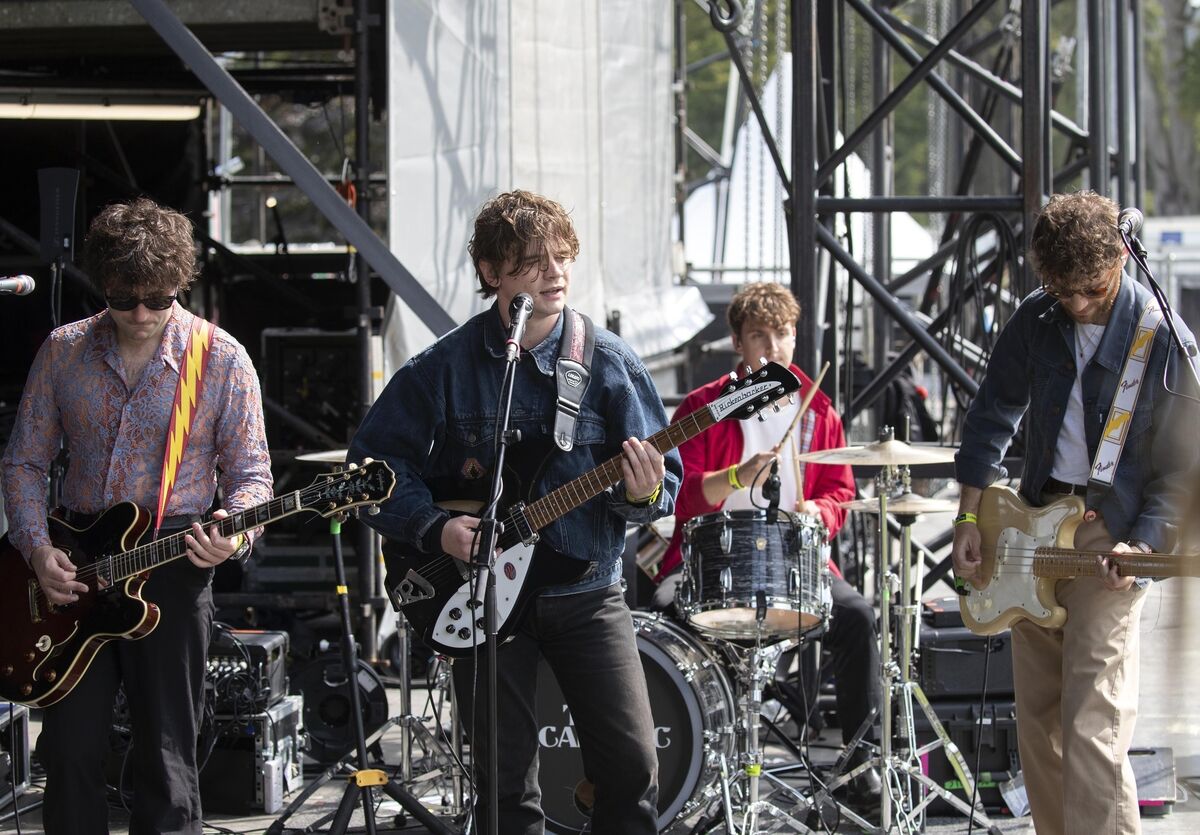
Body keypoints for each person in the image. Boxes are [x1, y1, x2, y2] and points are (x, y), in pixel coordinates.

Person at [349, 189, 682, 834]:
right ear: (492, 273)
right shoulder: (442, 369)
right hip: (482, 600)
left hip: (587, 592)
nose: (555, 271)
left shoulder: (608, 363)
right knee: (503, 787)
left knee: (632, 767)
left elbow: (664, 484)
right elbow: (371, 475)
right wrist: (436, 527)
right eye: (533, 260)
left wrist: (641, 492)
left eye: (562, 256)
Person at [1, 197, 273, 834]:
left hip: (175, 562)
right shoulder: (64, 351)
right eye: (126, 299)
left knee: (167, 755)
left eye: (160, 297)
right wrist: (38, 550)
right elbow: (23, 464)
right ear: (103, 286)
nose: (144, 313)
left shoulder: (221, 358)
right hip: (73, 569)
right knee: (68, 753)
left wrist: (234, 537)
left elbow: (252, 474)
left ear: (180, 284)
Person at [952, 190, 1199, 835]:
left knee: (1093, 722)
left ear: (1121, 256)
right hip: (1033, 524)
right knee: (1038, 722)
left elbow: (1183, 467)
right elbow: (989, 417)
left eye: (1090, 289)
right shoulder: (1039, 316)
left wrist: (1145, 544)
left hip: (1114, 535)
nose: (1078, 305)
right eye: (1064, 292)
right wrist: (969, 517)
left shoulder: (1163, 338)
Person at [653, 281, 882, 808]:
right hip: (713, 565)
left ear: (795, 338)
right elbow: (679, 498)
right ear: (738, 343)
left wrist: (817, 512)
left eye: (782, 334)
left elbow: (841, 493)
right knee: (669, 618)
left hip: (795, 566)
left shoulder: (816, 408)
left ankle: (859, 764)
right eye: (759, 336)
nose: (773, 347)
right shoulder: (705, 406)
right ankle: (688, 770)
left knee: (858, 618)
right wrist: (735, 477)